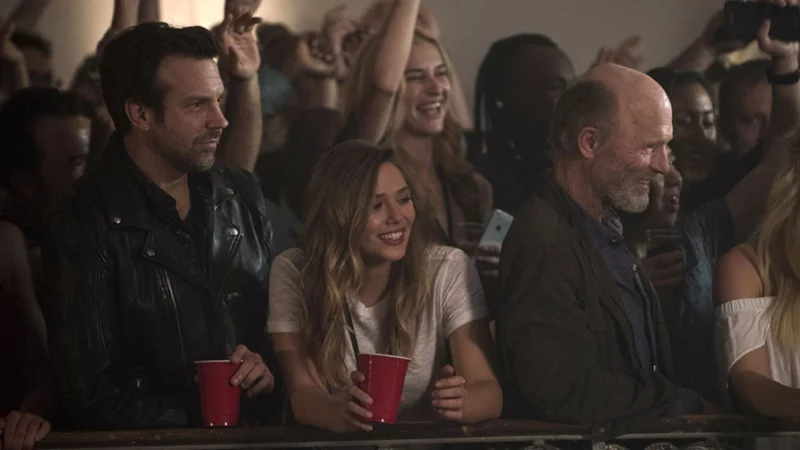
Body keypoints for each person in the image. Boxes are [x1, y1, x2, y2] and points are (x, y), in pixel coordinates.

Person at [41, 22, 279, 429]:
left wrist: (268, 370)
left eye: (219, 99)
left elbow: (282, 334)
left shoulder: (240, 194)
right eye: (196, 105)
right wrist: (201, 415)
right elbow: (90, 390)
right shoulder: (83, 219)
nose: (220, 119)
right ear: (140, 114)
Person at [496, 64, 715, 438]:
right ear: (590, 143)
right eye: (650, 147)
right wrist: (683, 404)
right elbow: (564, 390)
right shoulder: (544, 242)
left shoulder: (604, 227)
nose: (664, 166)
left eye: (666, 147)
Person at [623, 21, 799, 408]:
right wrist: (628, 289)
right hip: (636, 416)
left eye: (707, 121)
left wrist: (786, 60)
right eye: (682, 123)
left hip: (708, 414)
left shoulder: (705, 225)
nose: (700, 137)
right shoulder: (598, 227)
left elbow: (781, 155)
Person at [269, 141, 501, 432]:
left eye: (403, 199)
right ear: (340, 215)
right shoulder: (295, 271)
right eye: (376, 206)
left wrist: (460, 401)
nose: (397, 216)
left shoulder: (446, 268)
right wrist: (341, 413)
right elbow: (302, 395)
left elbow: (489, 393)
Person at [339, 0, 492, 253]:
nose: (436, 88)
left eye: (441, 73)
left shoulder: (474, 188)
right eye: (416, 77)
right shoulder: (365, 167)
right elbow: (383, 86)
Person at [471, 33, 575, 216]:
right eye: (555, 88)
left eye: (572, 87)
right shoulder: (476, 174)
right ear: (509, 96)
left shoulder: (570, 160)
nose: (571, 99)